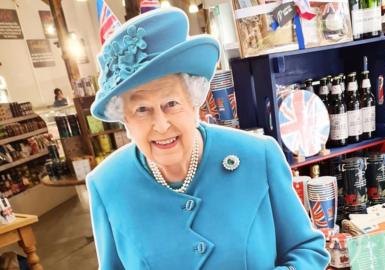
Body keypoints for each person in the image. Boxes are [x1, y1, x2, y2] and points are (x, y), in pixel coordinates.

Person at [87, 7, 329, 270]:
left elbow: (307, 249)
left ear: (194, 103)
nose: (161, 124)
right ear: (126, 120)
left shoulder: (258, 157)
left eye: (171, 103)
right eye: (141, 109)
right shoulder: (107, 185)